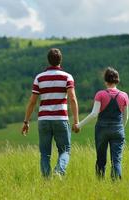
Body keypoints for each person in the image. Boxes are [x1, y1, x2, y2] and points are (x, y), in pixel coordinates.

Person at [21, 48, 79, 177]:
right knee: (65, 150)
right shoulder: (67, 77)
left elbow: (32, 102)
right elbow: (72, 99)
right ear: (60, 60)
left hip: (43, 120)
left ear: (48, 60)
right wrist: (76, 121)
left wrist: (26, 121)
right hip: (61, 119)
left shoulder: (39, 78)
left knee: (45, 153)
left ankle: (47, 182)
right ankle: (59, 171)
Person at [73, 67, 129, 180]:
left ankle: (100, 183)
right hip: (118, 129)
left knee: (101, 159)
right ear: (117, 80)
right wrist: (119, 128)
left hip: (102, 130)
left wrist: (78, 125)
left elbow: (94, 114)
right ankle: (117, 185)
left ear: (105, 80)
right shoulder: (124, 95)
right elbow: (126, 117)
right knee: (116, 160)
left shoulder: (100, 94)